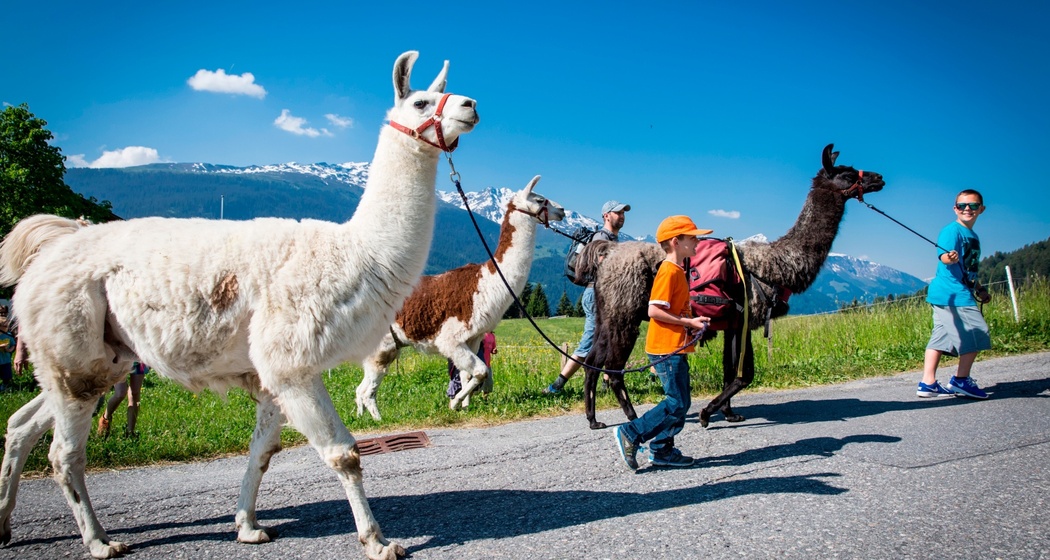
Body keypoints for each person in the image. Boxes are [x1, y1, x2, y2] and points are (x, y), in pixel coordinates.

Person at [614, 215, 711, 469]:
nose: (698, 241)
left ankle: (662, 450)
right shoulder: (668, 271)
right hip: (666, 349)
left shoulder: (676, 270)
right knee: (676, 402)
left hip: (673, 346)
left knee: (681, 401)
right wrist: (689, 324)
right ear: (677, 242)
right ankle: (631, 434)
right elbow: (654, 311)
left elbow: (673, 310)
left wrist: (692, 319)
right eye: (693, 237)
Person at [543, 200, 630, 394]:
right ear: (606, 215)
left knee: (611, 339)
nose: (622, 216)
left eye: (623, 213)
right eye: (618, 213)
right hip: (597, 294)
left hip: (606, 295)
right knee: (589, 342)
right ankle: (557, 386)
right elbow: (601, 264)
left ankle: (608, 383)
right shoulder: (601, 237)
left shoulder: (612, 238)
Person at [917, 189, 992, 399]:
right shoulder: (952, 231)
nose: (967, 209)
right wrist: (949, 258)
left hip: (947, 293)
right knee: (977, 332)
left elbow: (969, 269)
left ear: (981, 209)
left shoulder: (973, 236)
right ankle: (961, 380)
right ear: (955, 209)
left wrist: (979, 289)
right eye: (962, 205)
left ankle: (928, 383)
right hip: (953, 293)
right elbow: (944, 257)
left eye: (973, 205)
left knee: (940, 338)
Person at [98, 362, 149, 437]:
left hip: (138, 360)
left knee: (135, 393)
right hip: (119, 360)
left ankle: (130, 432)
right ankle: (105, 418)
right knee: (120, 393)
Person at [447, 332, 498, 398]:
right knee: (468, 380)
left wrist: (494, 350)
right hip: (477, 362)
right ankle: (466, 398)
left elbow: (493, 347)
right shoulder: (480, 335)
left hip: (487, 363)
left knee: (488, 383)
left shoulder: (492, 335)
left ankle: (485, 399)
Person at [0, 314, 15, 392]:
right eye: (5, 326)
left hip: (6, 360)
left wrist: (9, 350)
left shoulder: (8, 336)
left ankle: (5, 385)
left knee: (6, 374)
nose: (7, 328)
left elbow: (13, 345)